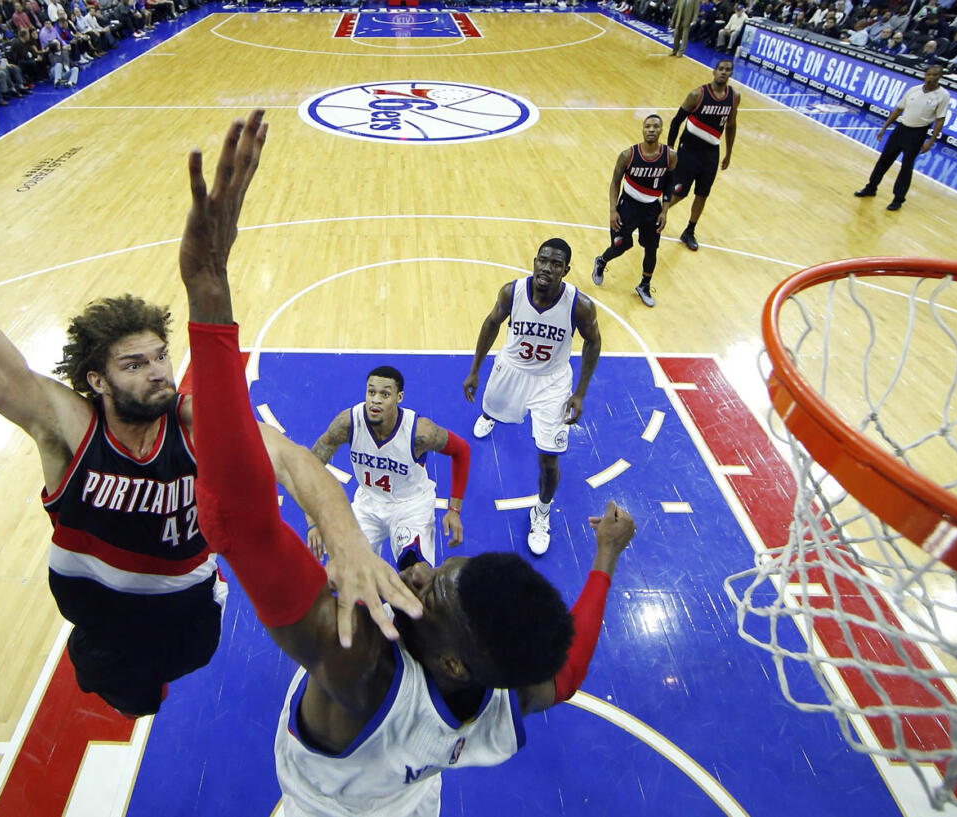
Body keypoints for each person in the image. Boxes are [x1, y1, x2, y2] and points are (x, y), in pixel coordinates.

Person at [168, 110, 637, 817]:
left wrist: (210, 292)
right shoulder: (500, 699)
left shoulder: (360, 666)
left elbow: (240, 520)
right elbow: (565, 674)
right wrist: (604, 558)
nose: (419, 570)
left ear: (450, 658)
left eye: (434, 591)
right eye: (444, 570)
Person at [0, 113, 409, 719]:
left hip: (185, 615)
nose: (158, 371)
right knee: (124, 699)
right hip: (95, 624)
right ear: (96, 380)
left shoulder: (192, 424)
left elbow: (290, 460)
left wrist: (345, 539)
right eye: (135, 365)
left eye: (161, 356)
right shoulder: (67, 426)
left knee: (180, 669)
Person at [462, 239, 602, 556]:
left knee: (549, 458)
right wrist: (474, 370)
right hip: (511, 369)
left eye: (555, 264)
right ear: (535, 261)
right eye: (543, 261)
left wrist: (579, 393)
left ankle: (541, 512)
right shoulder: (512, 292)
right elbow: (491, 323)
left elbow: (593, 342)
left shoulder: (580, 306)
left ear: (565, 271)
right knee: (491, 408)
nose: (546, 268)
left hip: (552, 382)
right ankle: (490, 415)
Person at [308, 366, 471, 566]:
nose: (375, 399)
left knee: (417, 577)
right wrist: (313, 521)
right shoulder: (347, 424)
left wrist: (454, 510)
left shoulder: (421, 432)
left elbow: (461, 450)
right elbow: (308, 466)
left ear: (398, 397)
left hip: (411, 506)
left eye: (385, 394)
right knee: (348, 574)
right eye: (371, 392)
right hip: (368, 504)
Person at [592, 114, 677, 308]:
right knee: (621, 245)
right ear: (642, 129)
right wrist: (613, 210)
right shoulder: (628, 155)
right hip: (627, 207)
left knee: (651, 248)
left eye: (656, 126)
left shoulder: (670, 156)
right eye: (648, 126)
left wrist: (664, 211)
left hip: (652, 209)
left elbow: (670, 184)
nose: (652, 129)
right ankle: (601, 261)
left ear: (661, 130)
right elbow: (615, 182)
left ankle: (644, 285)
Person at [664, 58, 741, 251]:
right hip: (688, 149)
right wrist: (671, 148)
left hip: (711, 152)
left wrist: (729, 153)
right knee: (680, 192)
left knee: (702, 194)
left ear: (731, 74)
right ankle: (656, 214)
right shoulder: (697, 94)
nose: (723, 72)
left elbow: (731, 125)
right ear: (713, 72)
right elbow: (676, 121)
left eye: (727, 70)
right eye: (720, 69)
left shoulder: (734, 97)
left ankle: (689, 230)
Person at [853, 64, 949, 211]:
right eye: (928, 74)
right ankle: (871, 188)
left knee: (906, 166)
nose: (930, 78)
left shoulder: (943, 95)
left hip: (918, 133)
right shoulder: (914, 90)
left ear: (939, 77)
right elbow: (898, 109)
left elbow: (940, 120)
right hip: (901, 129)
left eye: (934, 75)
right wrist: (884, 128)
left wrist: (930, 141)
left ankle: (898, 199)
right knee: (883, 160)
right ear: (925, 75)